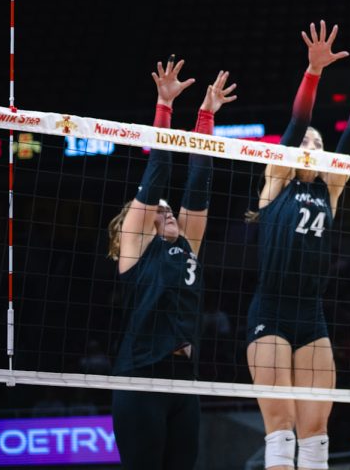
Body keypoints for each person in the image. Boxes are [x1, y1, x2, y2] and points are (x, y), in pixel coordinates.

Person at [245, 21, 350, 470]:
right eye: (307, 144)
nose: (314, 147)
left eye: (319, 143)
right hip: (271, 312)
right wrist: (313, 72)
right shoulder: (276, 183)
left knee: (315, 438)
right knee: (280, 430)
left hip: (311, 314)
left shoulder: (330, 190)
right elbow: (299, 121)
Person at [108, 59, 236, 470]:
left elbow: (200, 182)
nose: (166, 211)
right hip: (140, 378)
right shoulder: (135, 250)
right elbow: (158, 171)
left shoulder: (188, 246)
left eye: (168, 210)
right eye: (156, 210)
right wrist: (164, 107)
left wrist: (205, 116)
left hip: (184, 382)